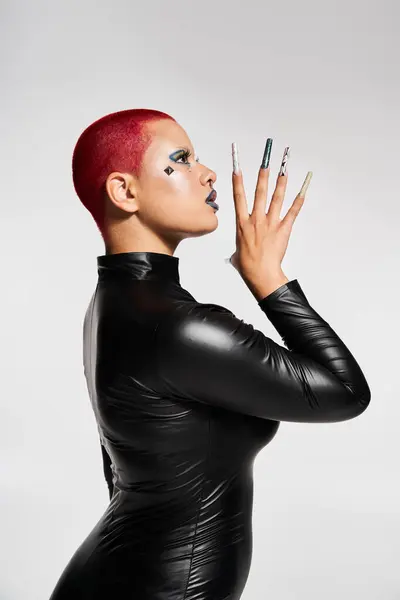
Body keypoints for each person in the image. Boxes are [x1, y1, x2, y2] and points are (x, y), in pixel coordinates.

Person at [49, 108, 371, 599]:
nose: (208, 173)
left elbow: (123, 474)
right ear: (125, 192)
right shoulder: (178, 327)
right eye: (180, 160)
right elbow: (345, 393)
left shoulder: (109, 307)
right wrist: (267, 276)